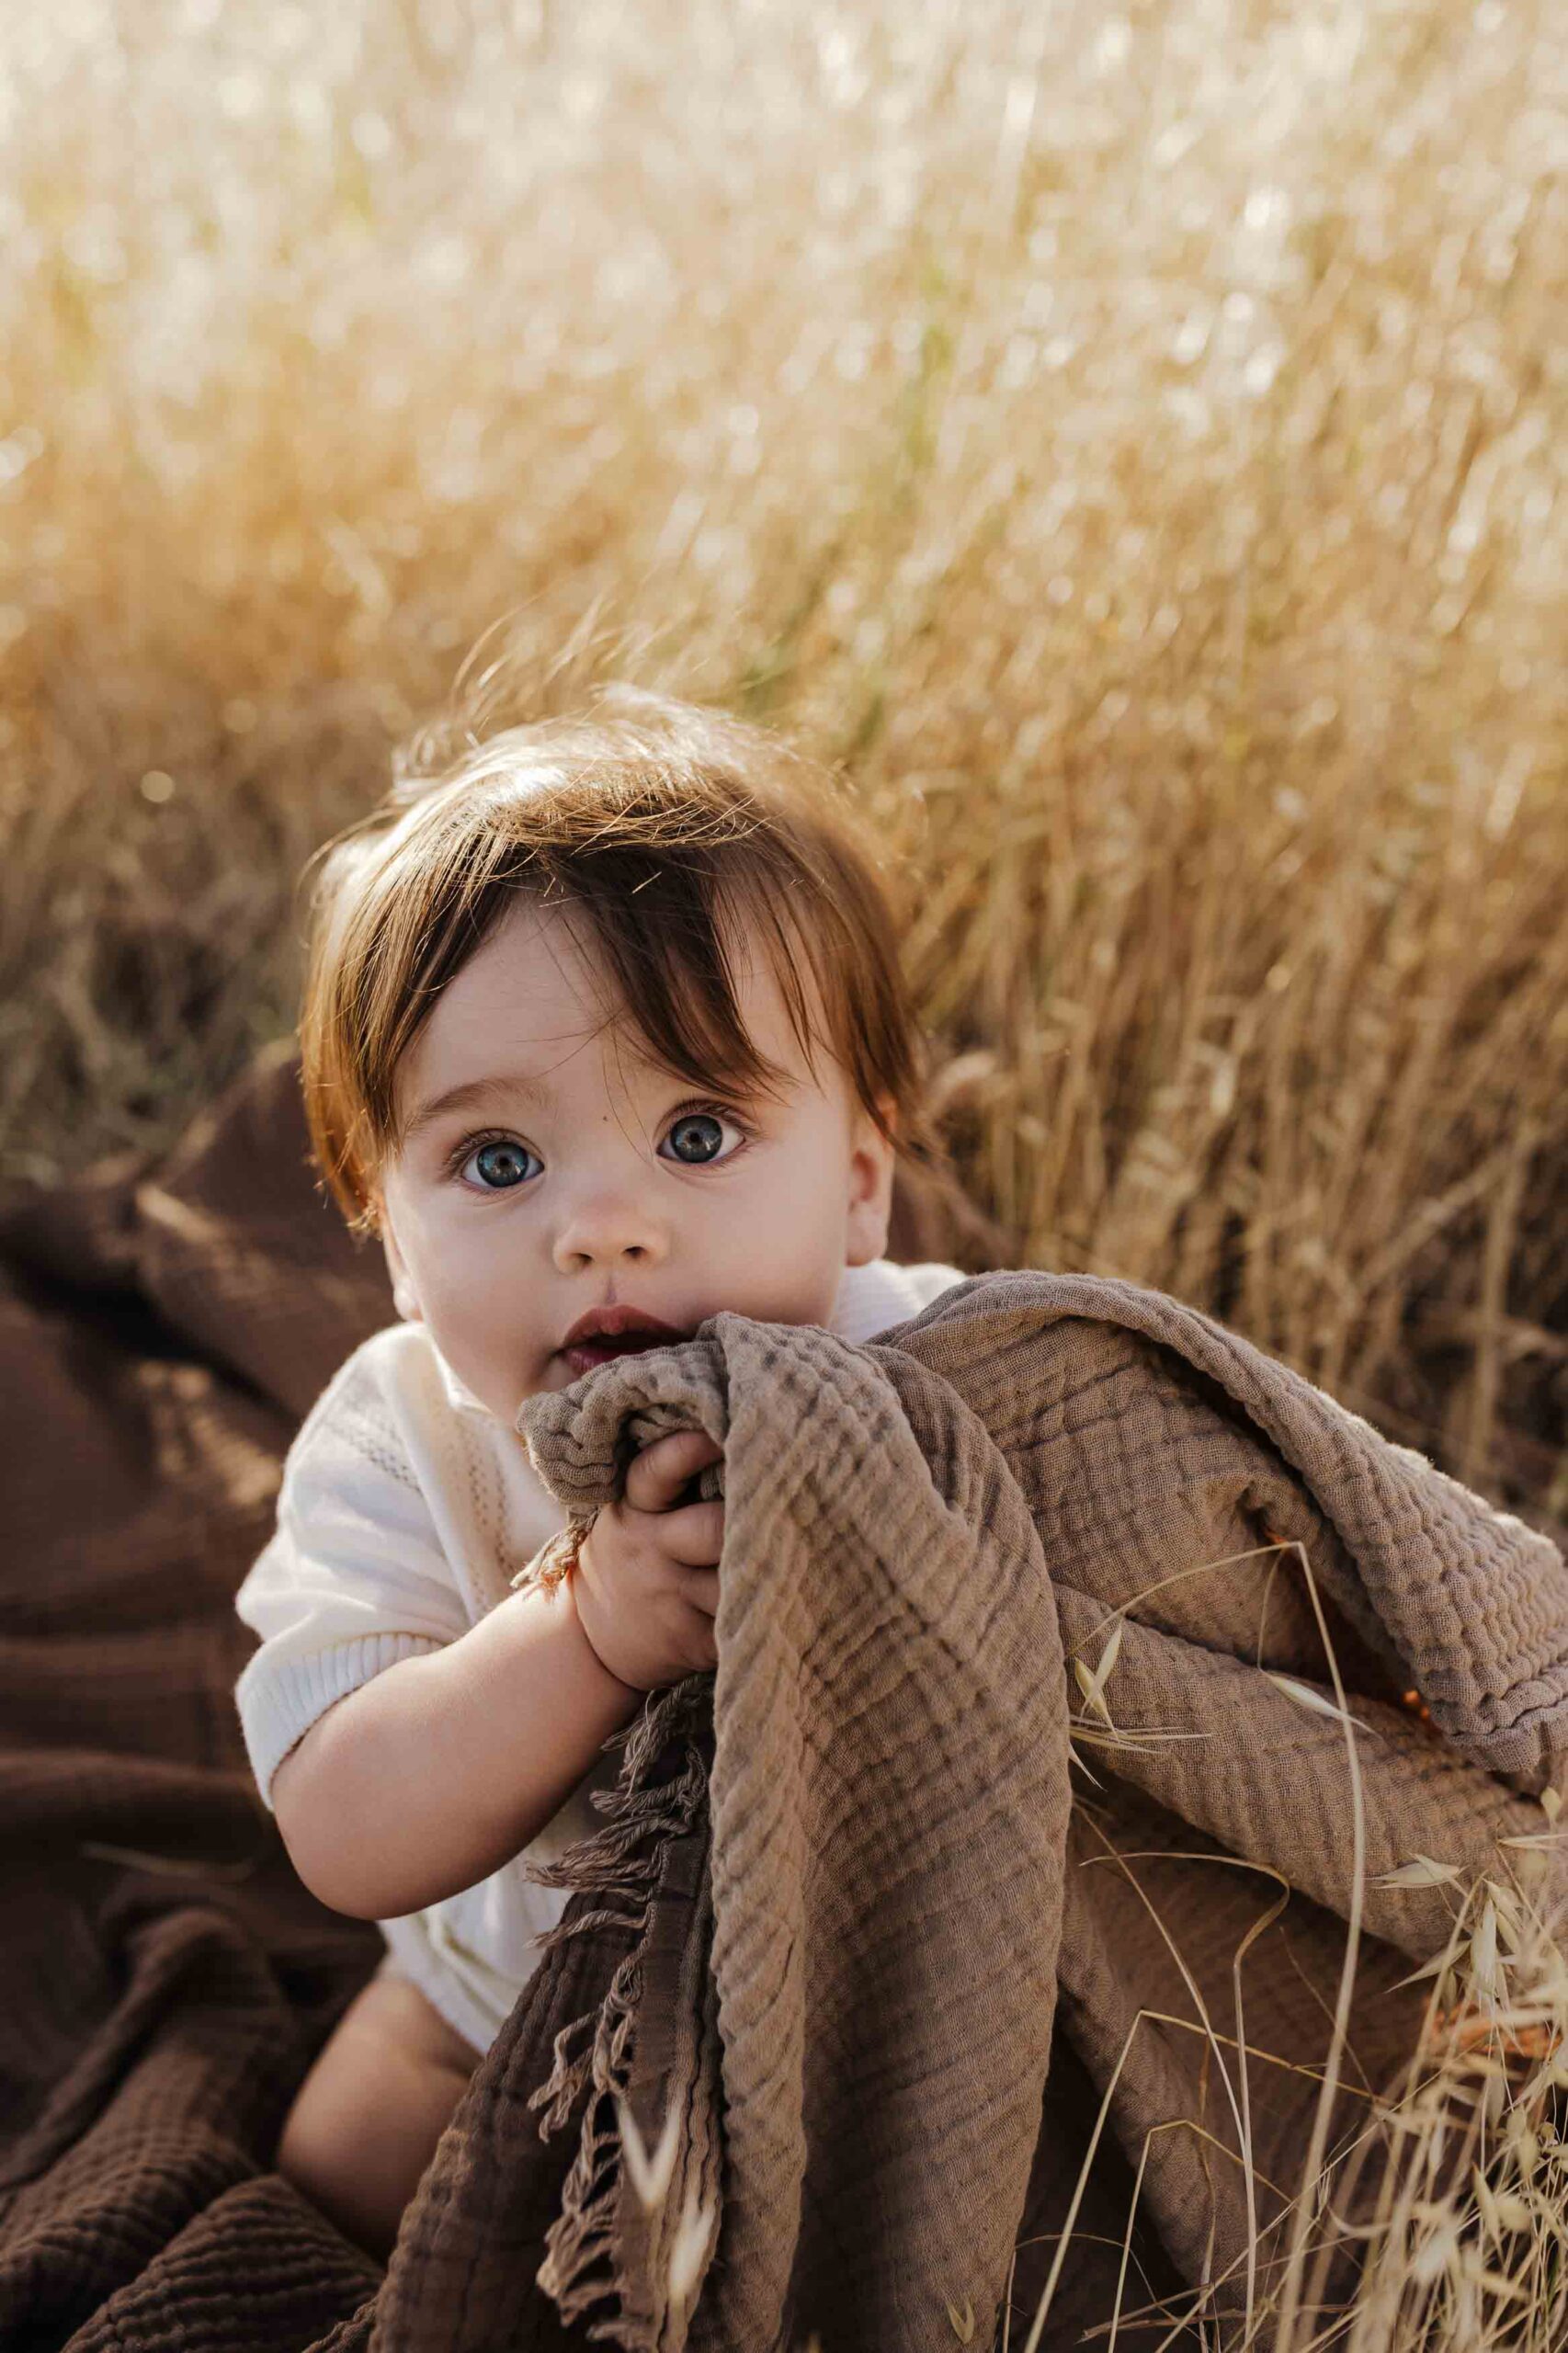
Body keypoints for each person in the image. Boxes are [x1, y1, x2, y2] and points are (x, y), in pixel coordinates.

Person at [232, 679, 971, 2263]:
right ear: (393, 1247)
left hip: (869, 2020)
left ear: (856, 1187)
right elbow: (345, 1825)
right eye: (498, 1162)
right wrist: (580, 1632)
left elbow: (1201, 1476)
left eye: (698, 1132)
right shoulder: (398, 1442)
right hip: (496, 2002)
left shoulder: (939, 1374)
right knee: (334, 2182)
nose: (603, 1224)